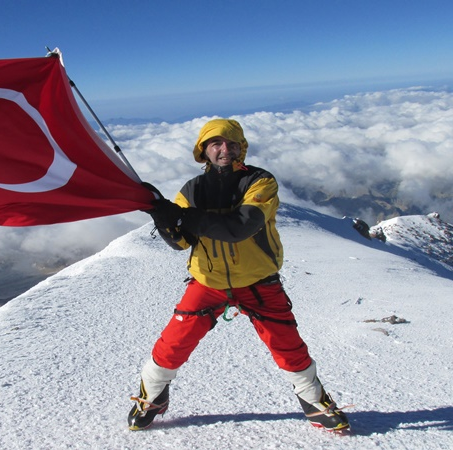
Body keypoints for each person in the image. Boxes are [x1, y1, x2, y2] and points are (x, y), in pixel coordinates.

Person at [129, 118, 349, 431]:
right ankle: (151, 395)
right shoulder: (191, 190)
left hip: (258, 279)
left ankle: (313, 400)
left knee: (288, 345)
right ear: (203, 150)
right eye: (216, 143)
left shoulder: (260, 182)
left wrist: (180, 215)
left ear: (241, 148)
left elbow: (240, 227)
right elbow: (180, 243)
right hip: (208, 281)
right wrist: (162, 217)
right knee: (172, 344)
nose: (225, 150)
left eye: (232, 144)